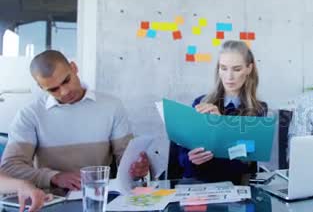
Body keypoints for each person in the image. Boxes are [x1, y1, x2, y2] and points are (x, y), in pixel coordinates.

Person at [0, 50, 149, 190]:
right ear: (41, 87)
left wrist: (136, 169)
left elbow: (127, 158)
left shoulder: (112, 106)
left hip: (98, 196)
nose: (64, 92)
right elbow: (10, 168)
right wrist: (54, 177)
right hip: (50, 199)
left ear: (74, 67)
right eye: (53, 89)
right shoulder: (30, 114)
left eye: (66, 80)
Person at [173, 40, 268, 184]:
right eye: (224, 68)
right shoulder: (200, 103)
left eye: (236, 69)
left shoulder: (258, 110)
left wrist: (222, 126)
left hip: (237, 188)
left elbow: (245, 161)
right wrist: (191, 159)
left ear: (249, 69)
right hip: (198, 186)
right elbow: (182, 158)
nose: (229, 77)